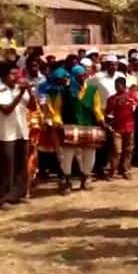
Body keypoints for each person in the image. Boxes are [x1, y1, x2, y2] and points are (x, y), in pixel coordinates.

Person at [48, 65, 105, 194]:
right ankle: (67, 180)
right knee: (67, 155)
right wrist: (58, 122)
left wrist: (101, 119)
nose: (82, 77)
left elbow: (97, 108)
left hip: (88, 125)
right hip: (70, 127)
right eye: (79, 75)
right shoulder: (64, 91)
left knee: (89, 154)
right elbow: (57, 110)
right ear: (73, 76)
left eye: (83, 74)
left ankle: (86, 178)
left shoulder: (92, 90)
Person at [0, 65, 37, 208]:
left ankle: (17, 195)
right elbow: (6, 110)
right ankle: (3, 198)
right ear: (4, 77)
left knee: (20, 166)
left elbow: (33, 107)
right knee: (6, 167)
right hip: (5, 134)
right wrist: (20, 93)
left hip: (21, 131)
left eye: (17, 74)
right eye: (12, 74)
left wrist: (28, 90)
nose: (16, 77)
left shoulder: (20, 89)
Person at [105, 77, 137, 180]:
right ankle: (113, 171)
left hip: (129, 127)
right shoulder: (112, 99)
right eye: (116, 85)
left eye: (119, 85)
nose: (117, 87)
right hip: (117, 128)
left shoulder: (131, 97)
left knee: (128, 150)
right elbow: (107, 112)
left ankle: (126, 170)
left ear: (123, 85)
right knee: (117, 150)